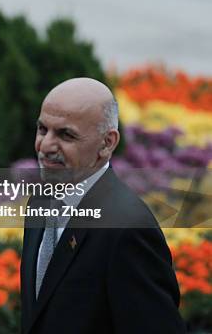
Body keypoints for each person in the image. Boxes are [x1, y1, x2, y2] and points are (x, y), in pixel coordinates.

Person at [20, 78, 185, 334]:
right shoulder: (40, 201)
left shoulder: (128, 230)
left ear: (107, 143)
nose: (46, 146)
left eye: (66, 134)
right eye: (43, 129)